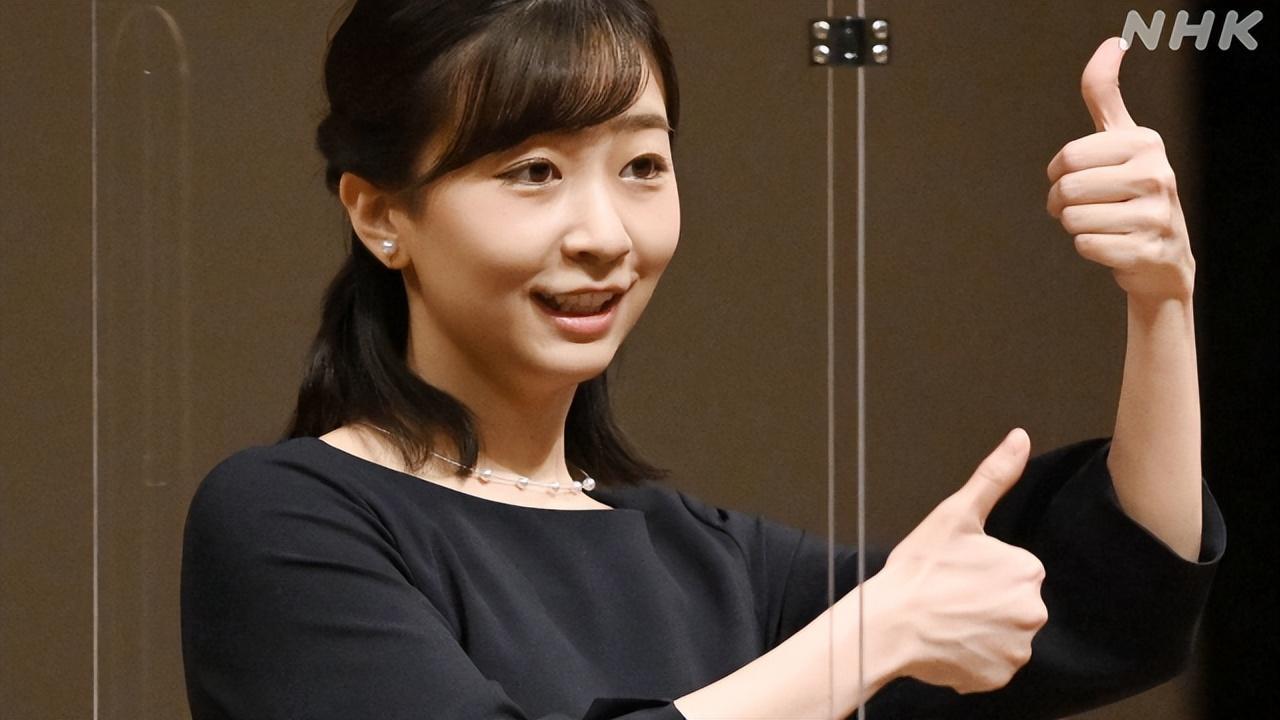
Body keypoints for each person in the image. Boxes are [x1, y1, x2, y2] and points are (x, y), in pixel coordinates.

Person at [179, 1, 1225, 718]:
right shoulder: (286, 518)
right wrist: (862, 643)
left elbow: (1113, 601)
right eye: (532, 171)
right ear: (379, 215)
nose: (604, 233)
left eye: (641, 165)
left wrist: (1161, 298)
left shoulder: (710, 564)